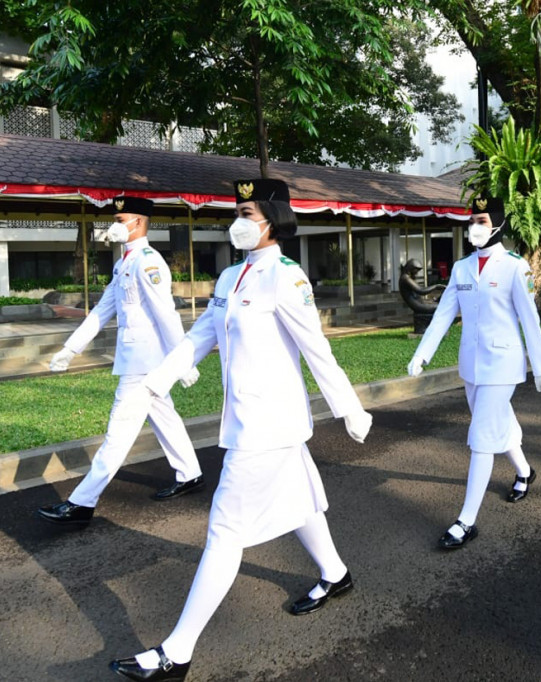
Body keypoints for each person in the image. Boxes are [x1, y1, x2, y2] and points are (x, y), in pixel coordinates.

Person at [109, 179, 373, 682]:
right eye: (237, 211)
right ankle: (336, 574)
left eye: (247, 211)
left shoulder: (287, 279)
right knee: (299, 502)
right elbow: (200, 335)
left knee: (225, 532)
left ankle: (176, 652)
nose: (238, 220)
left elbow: (318, 351)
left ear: (272, 219)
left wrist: (349, 409)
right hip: (247, 420)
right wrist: (154, 383)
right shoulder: (231, 277)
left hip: (269, 425)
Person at [37, 196, 203, 528]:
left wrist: (184, 361)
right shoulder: (124, 262)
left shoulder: (148, 262)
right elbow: (102, 311)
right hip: (138, 360)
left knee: (118, 432)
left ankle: (82, 502)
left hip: (143, 364)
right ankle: (190, 473)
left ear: (138, 222)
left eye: (119, 217)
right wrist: (71, 349)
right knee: (164, 417)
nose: (114, 224)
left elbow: (166, 315)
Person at [407, 195, 541, 550]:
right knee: (497, 421)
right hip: (471, 363)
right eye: (472, 220)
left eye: (483, 220)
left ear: (498, 224)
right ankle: (524, 471)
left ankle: (466, 520)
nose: (475, 227)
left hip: (503, 363)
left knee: (482, 435)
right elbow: (443, 315)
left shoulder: (515, 267)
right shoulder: (461, 268)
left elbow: (530, 321)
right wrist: (421, 354)